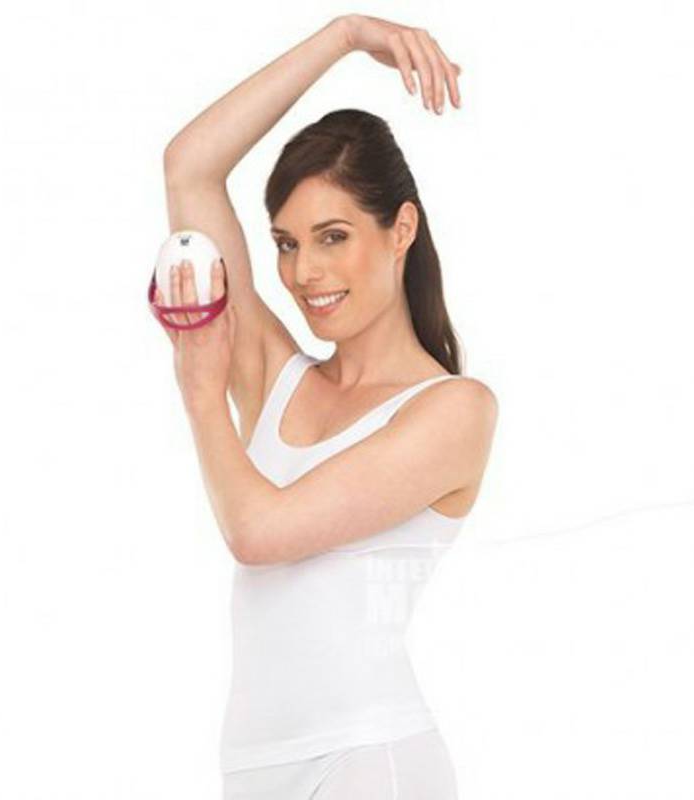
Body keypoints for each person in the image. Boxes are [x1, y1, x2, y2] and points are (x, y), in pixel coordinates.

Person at [154, 14, 498, 799]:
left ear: (401, 229)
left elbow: (258, 533)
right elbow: (189, 169)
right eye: (285, 243)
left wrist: (202, 395)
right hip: (253, 770)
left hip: (367, 762)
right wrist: (341, 37)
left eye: (333, 236)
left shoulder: (454, 411)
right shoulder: (276, 376)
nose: (304, 272)